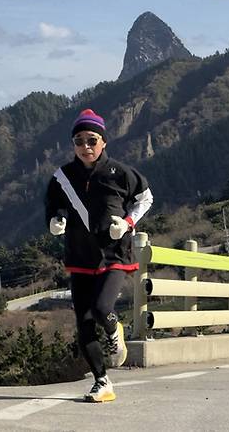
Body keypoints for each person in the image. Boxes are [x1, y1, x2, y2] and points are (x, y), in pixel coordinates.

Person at [45, 108, 153, 403]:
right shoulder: (62, 177)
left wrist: (128, 223)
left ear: (103, 141)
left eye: (92, 140)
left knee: (102, 306)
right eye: (79, 141)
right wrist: (55, 220)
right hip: (80, 257)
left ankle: (114, 328)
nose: (85, 147)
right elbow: (53, 203)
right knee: (83, 322)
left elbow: (146, 198)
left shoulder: (120, 173)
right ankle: (102, 381)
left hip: (113, 254)